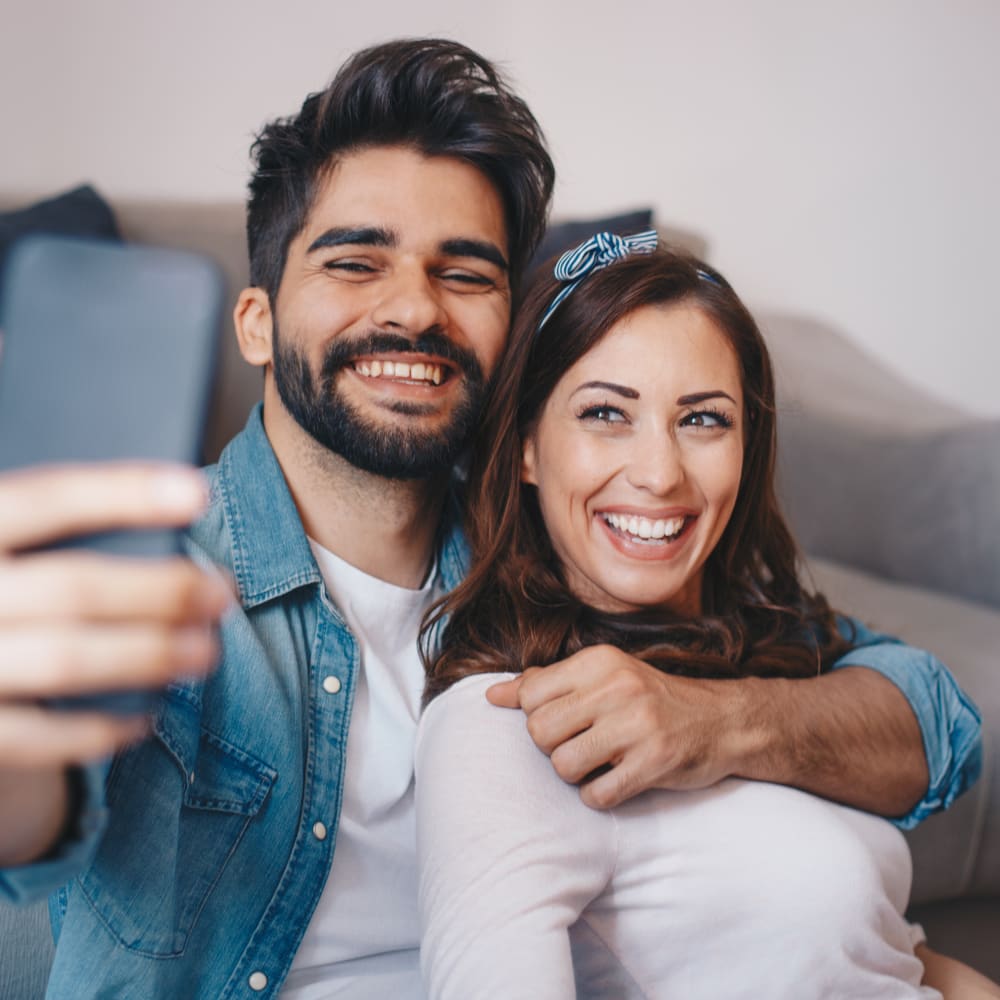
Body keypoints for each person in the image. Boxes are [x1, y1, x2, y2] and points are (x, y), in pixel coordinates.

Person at [0, 39, 981, 999]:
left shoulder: (563, 540)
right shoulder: (157, 576)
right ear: (256, 321)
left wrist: (721, 720)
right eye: (355, 262)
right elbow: (35, 811)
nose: (414, 310)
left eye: (464, 272)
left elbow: (923, 713)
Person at [416, 236, 994, 998]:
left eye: (704, 420)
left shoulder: (776, 647)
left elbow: (893, 950)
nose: (660, 474)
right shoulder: (505, 726)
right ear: (526, 447)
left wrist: (713, 721)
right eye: (605, 414)